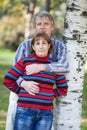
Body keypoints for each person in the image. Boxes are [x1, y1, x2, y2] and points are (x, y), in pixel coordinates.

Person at [5, 10, 69, 130]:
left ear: (52, 27)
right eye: (39, 24)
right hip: (23, 95)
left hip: (45, 100)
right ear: (35, 27)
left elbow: (64, 67)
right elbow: (13, 73)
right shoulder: (25, 45)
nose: (42, 27)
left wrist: (43, 67)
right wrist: (23, 83)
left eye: (46, 23)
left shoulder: (59, 45)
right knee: (15, 121)